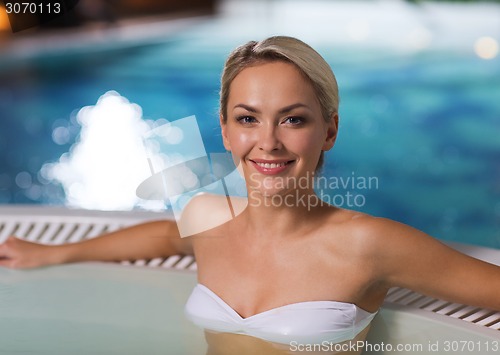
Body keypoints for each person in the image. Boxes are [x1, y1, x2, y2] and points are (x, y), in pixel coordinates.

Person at [1, 36, 499, 355]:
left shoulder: (367, 244)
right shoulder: (207, 216)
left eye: (294, 118)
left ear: (329, 131)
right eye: (247, 118)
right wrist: (54, 251)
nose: (268, 142)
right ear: (224, 131)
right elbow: (164, 236)